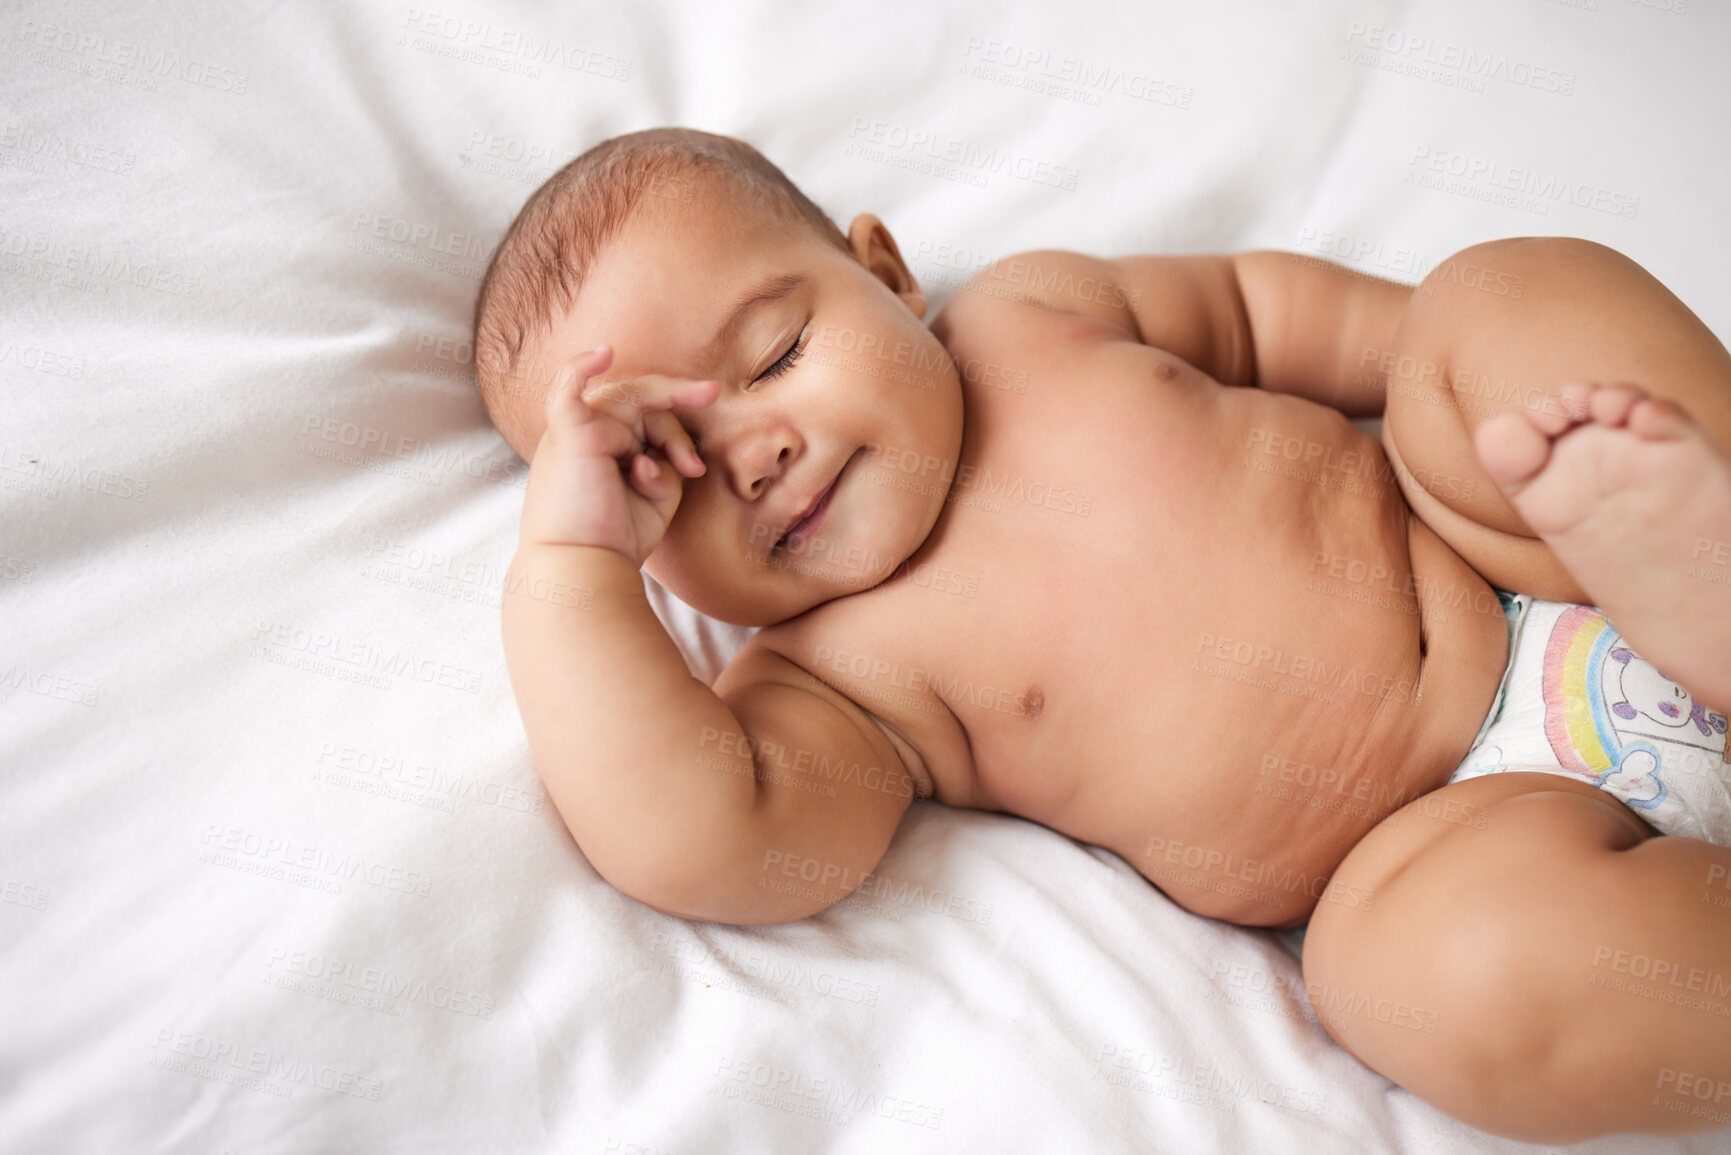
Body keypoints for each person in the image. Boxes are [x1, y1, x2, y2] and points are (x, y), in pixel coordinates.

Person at [472, 127, 1731, 1141]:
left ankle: (1698, 555)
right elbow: (703, 836)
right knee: (1422, 980)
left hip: (1516, 552)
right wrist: (570, 565)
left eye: (777, 354)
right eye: (671, 472)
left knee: (1497, 300)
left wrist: (1450, 366)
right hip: (1449, 840)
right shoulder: (833, 686)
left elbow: (1256, 311)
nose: (757, 454)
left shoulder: (1034, 312)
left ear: (890, 274)